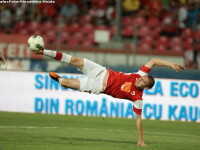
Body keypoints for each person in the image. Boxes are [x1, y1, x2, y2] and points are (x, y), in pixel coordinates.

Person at [35, 49, 185, 146]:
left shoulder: (137, 98)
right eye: (142, 78)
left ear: (145, 87)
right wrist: (171, 64)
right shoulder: (138, 74)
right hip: (101, 71)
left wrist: (141, 140)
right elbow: (153, 61)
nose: (140, 79)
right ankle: (43, 51)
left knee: (66, 83)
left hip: (98, 86)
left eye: (143, 81)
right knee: (75, 60)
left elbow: (138, 119)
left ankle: (60, 80)